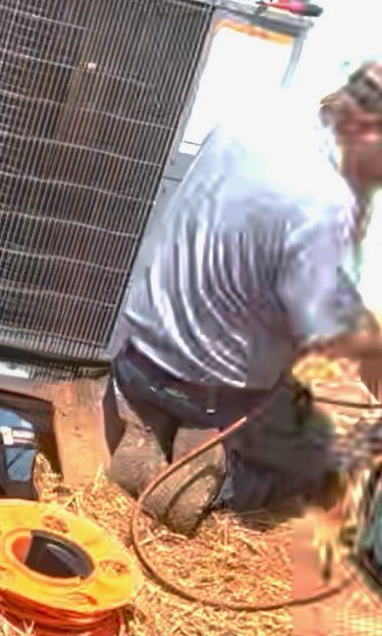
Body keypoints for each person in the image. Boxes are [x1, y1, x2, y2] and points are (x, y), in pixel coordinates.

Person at [106, 61, 382, 534]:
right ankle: (215, 481)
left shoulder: (255, 111)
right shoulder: (328, 201)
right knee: (315, 462)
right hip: (211, 393)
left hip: (136, 351)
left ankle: (146, 421)